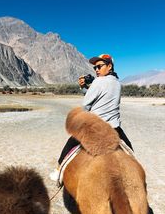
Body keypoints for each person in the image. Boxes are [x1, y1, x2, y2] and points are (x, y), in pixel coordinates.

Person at [50, 53, 133, 181]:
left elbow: (86, 105)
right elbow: (101, 92)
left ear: (109, 66)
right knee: (129, 149)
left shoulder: (98, 82)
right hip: (114, 128)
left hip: (95, 127)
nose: (97, 70)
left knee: (70, 144)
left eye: (99, 66)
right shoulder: (117, 83)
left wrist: (85, 87)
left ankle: (58, 170)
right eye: (95, 68)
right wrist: (85, 87)